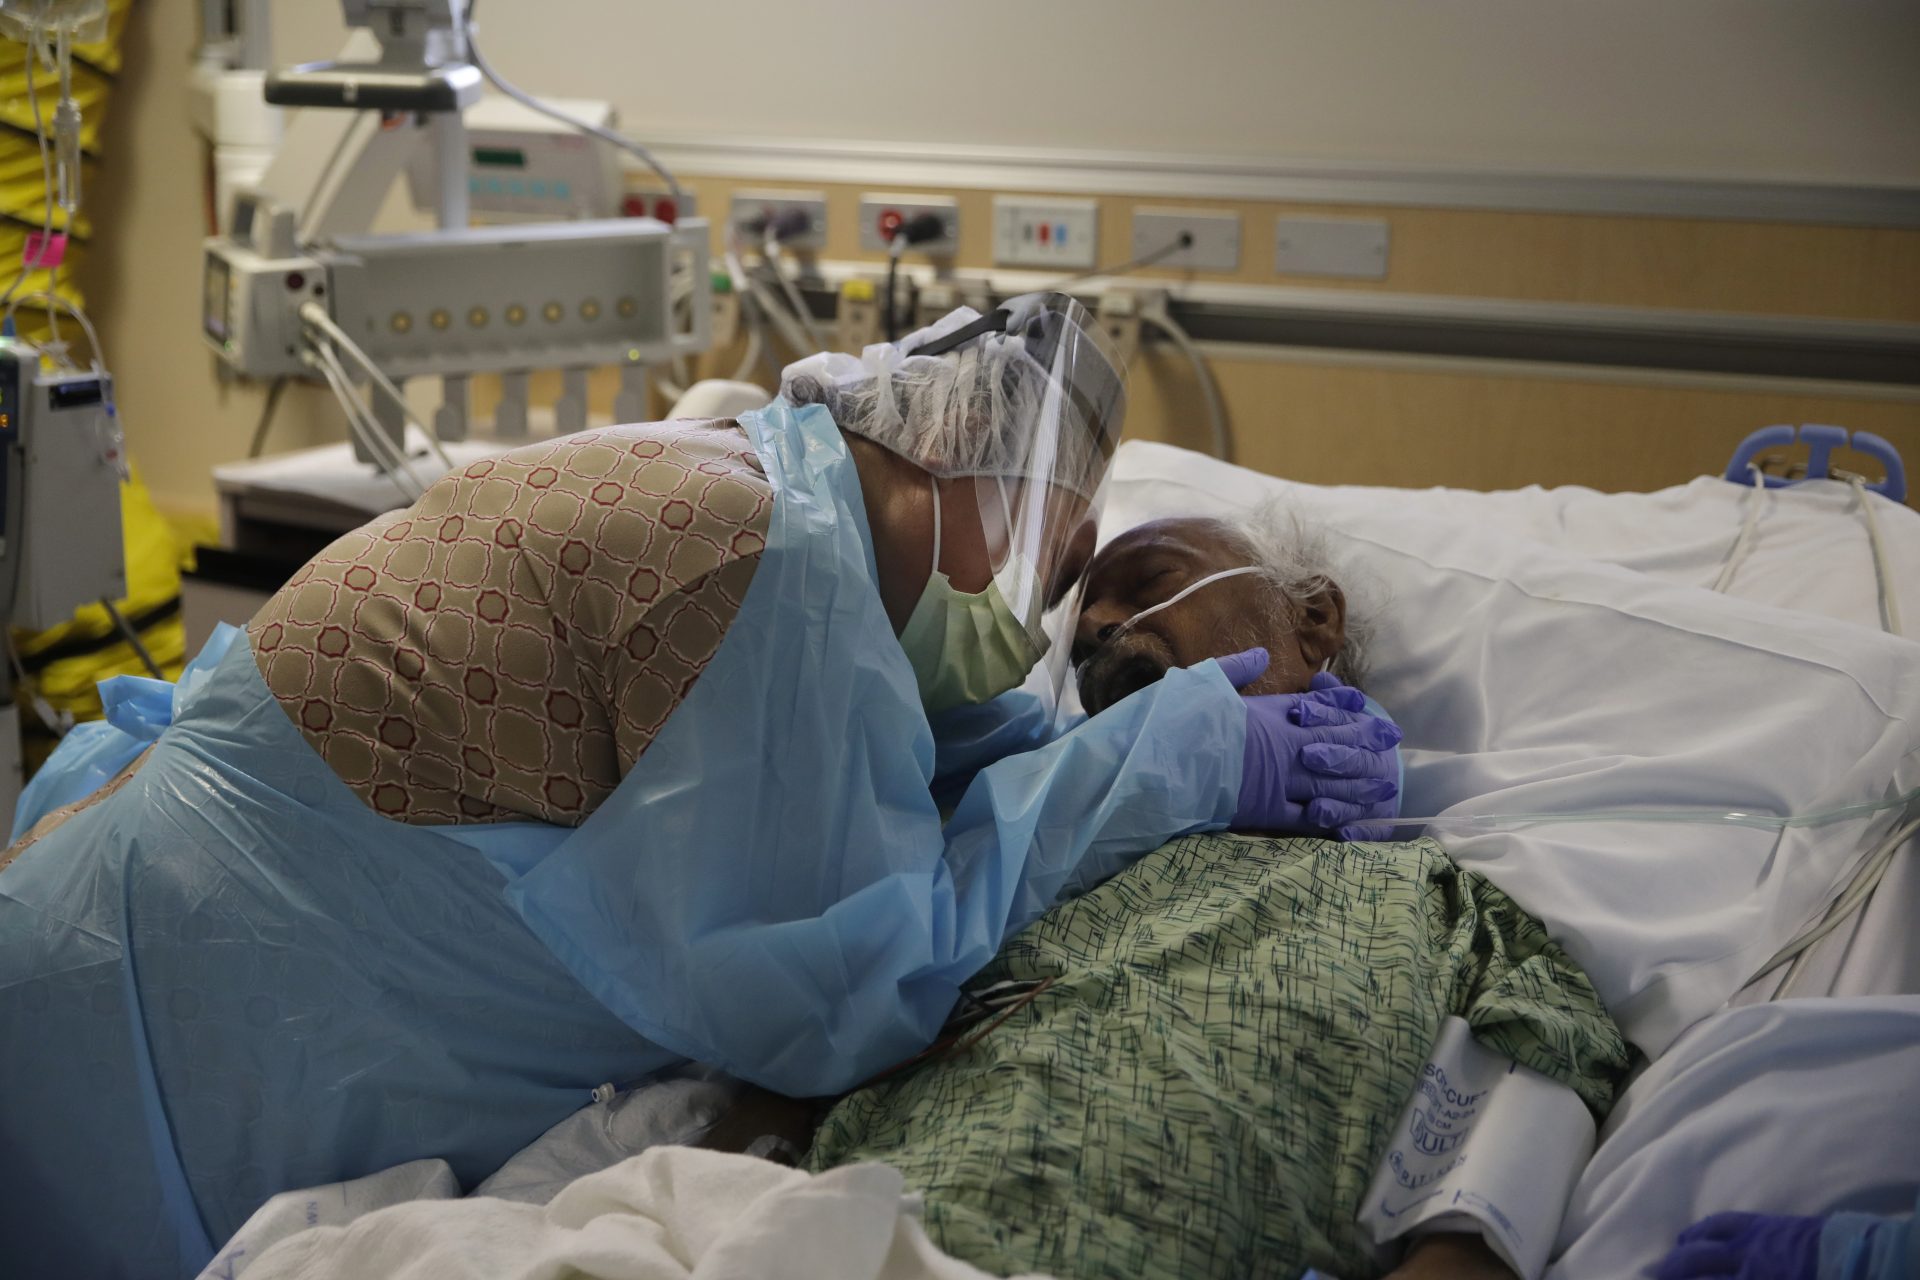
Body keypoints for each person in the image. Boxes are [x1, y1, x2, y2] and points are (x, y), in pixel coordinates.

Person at [0, 294, 1402, 1278]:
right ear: (955, 473)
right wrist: (1179, 755)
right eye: (1064, 552)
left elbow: (890, 770)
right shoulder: (776, 569)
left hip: (122, 949)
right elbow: (844, 982)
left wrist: (1105, 752)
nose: (1054, 614)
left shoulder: (762, 494)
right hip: (149, 1057)